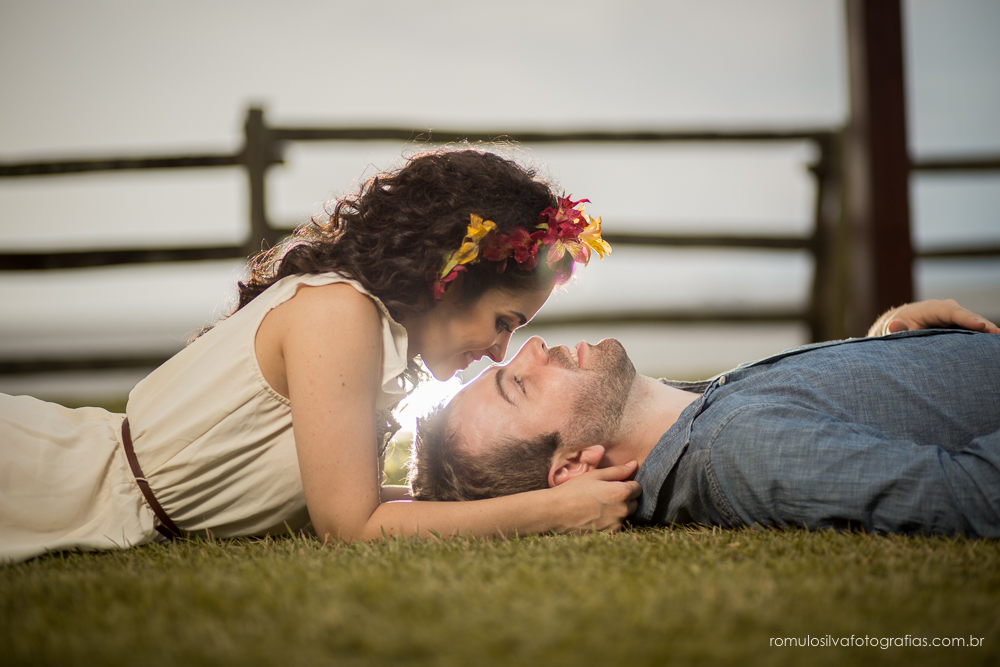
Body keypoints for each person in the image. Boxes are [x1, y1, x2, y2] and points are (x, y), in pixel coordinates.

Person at [0, 148, 640, 564]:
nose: (503, 349)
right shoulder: (340, 312)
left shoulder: (367, 330)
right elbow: (350, 524)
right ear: (451, 277)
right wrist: (555, 511)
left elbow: (354, 498)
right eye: (505, 320)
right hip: (51, 480)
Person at [409, 300, 1000, 537]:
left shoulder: (700, 415)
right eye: (517, 387)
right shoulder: (737, 452)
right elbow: (973, 496)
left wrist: (887, 349)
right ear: (569, 470)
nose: (530, 350)